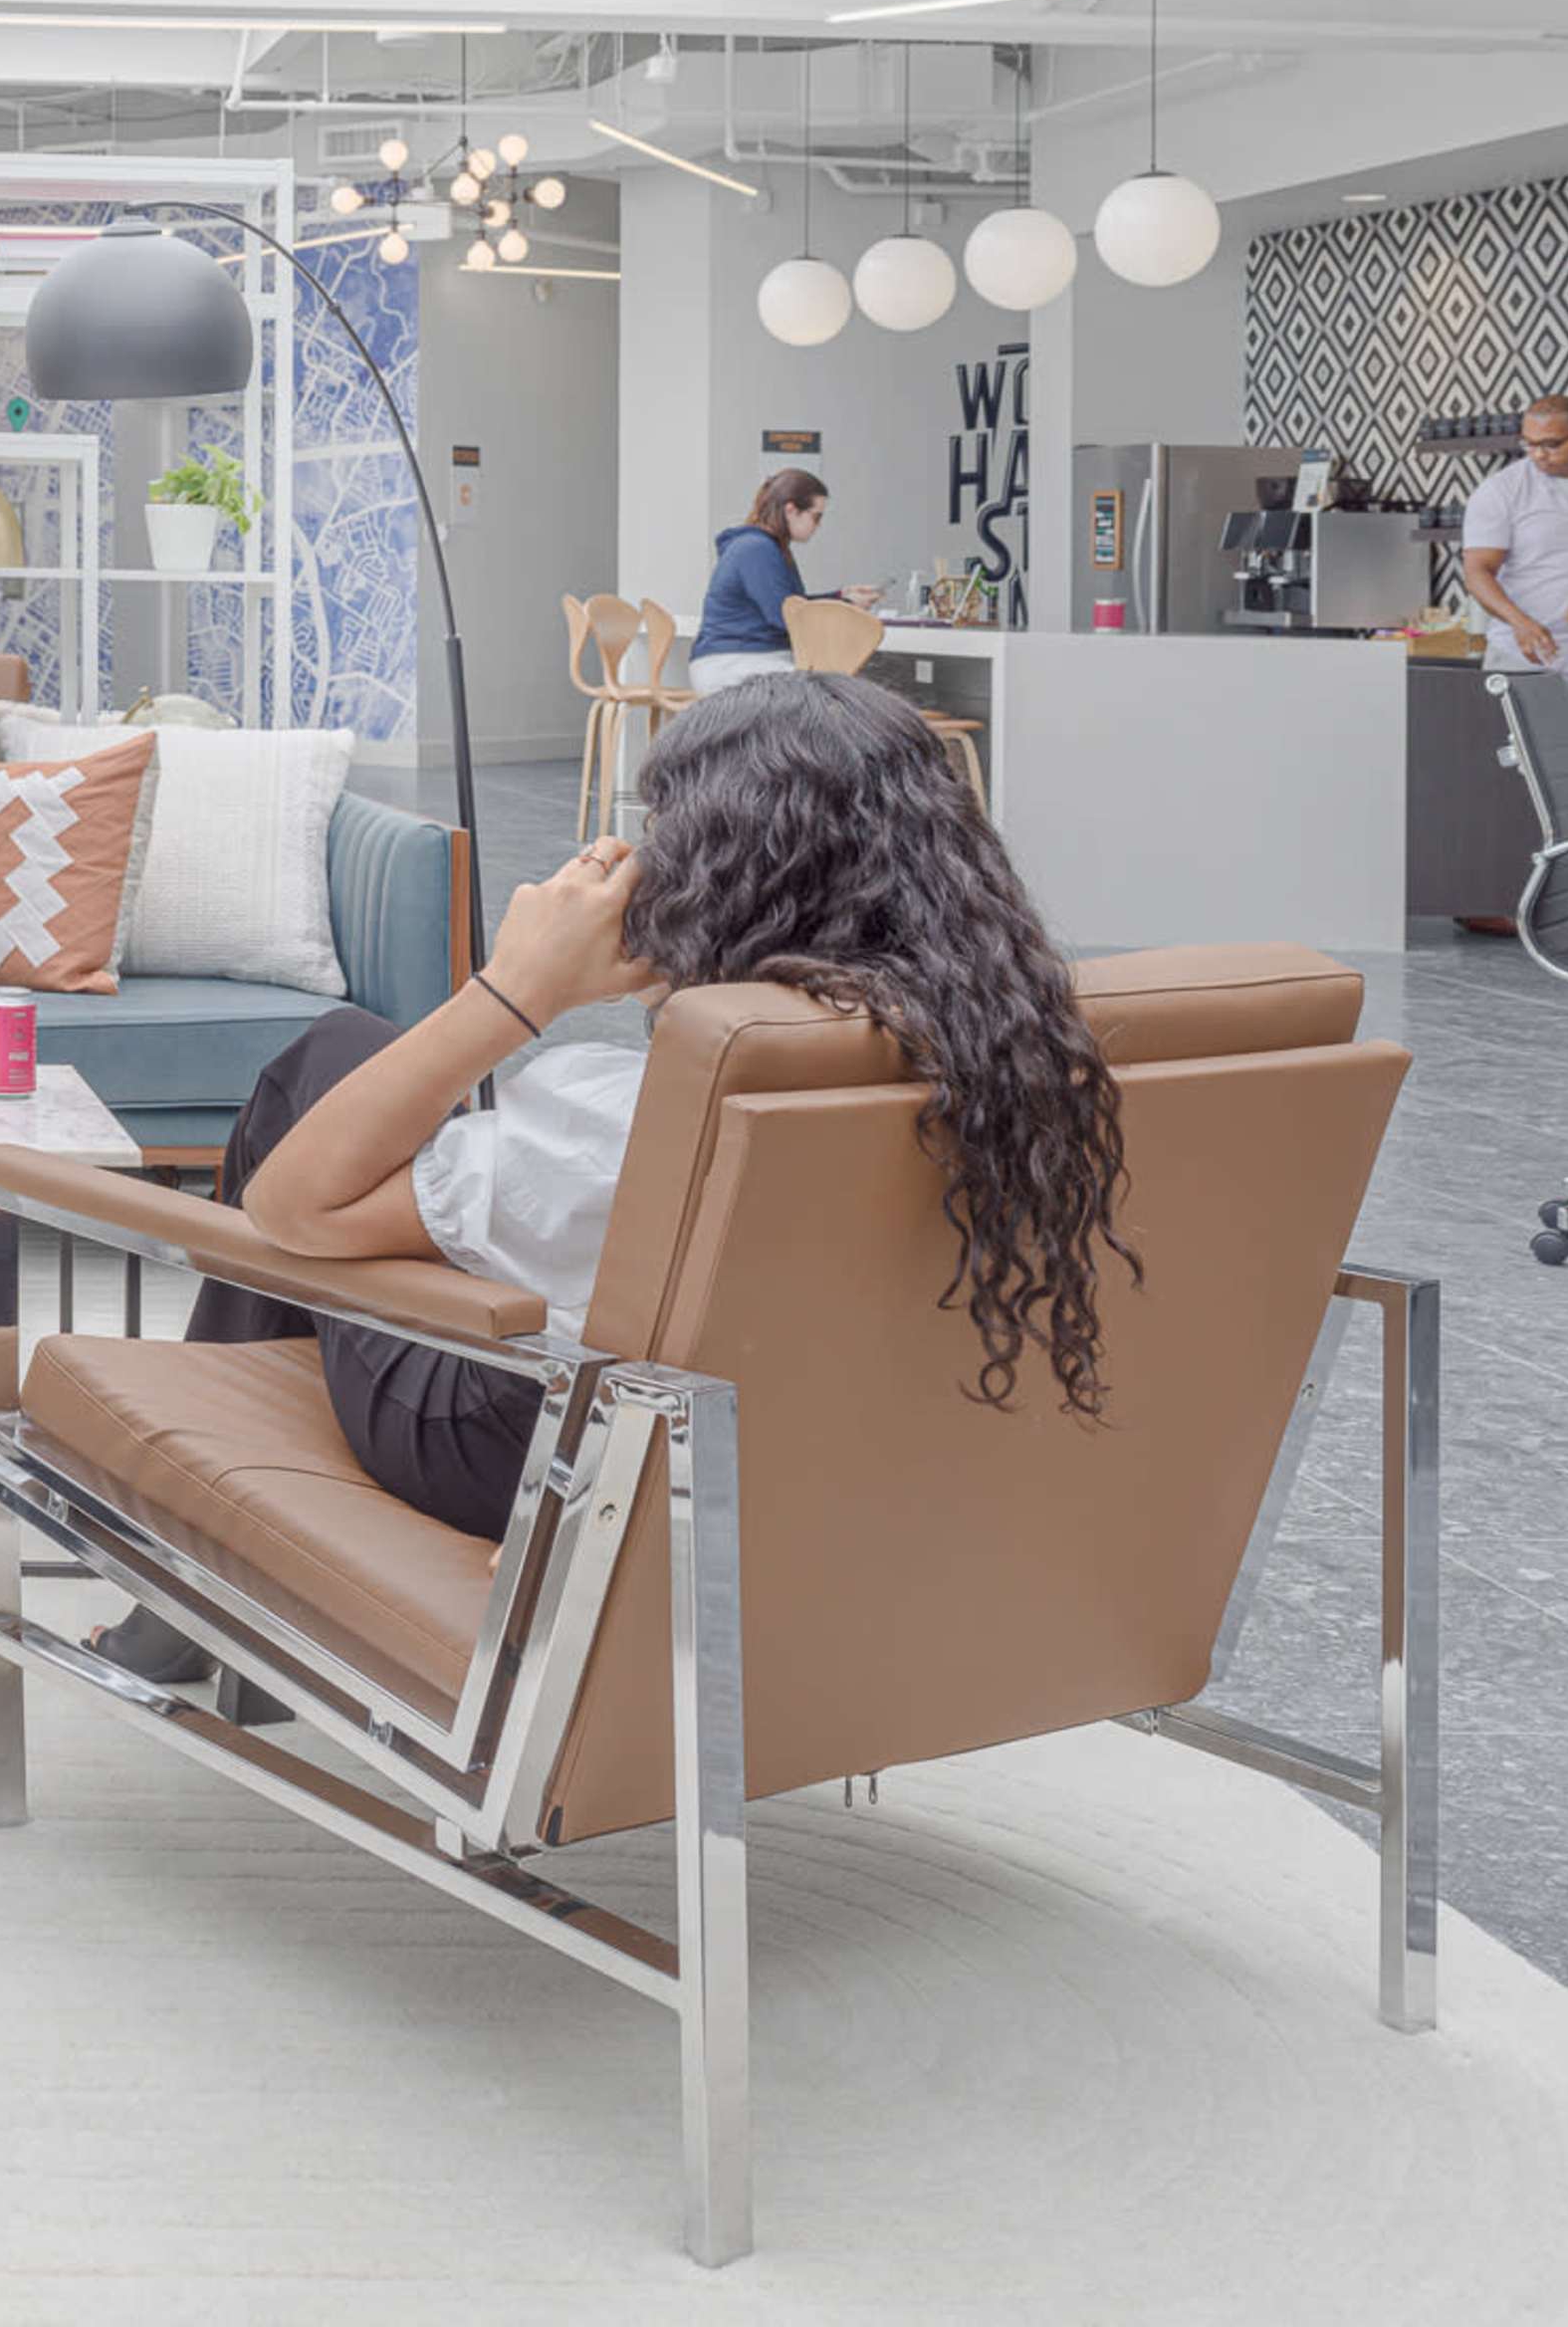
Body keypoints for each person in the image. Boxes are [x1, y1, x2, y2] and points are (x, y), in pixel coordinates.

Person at [89, 671, 1136, 1686]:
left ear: (717, 876)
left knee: (328, 1060)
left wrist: (518, 987)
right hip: (828, 1476)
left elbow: (294, 1208)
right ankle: (194, 1587)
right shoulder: (1016, 1072)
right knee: (373, 1084)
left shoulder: (628, 1114)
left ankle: (184, 1577)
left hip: (517, 1454)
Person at [687, 467, 880, 694]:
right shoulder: (757, 549)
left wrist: (840, 597)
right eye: (816, 517)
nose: (818, 525)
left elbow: (791, 605)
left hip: (741, 660)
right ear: (791, 510)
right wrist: (847, 606)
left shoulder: (760, 547)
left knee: (833, 696)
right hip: (738, 663)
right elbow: (785, 616)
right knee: (833, 698)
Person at [1460, 394, 1568, 680]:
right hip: (1523, 657)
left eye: (1551, 444)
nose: (1538, 454)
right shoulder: (1501, 492)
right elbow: (1477, 572)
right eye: (1529, 443)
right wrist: (1519, 623)